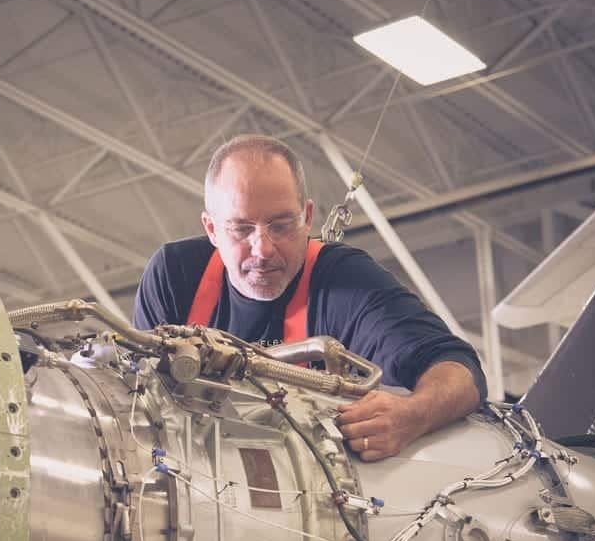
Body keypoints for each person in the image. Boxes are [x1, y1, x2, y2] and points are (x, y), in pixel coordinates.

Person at [133, 134, 484, 461]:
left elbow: (460, 371)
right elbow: (138, 396)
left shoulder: (344, 281)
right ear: (211, 229)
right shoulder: (175, 277)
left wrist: (414, 416)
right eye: (241, 229)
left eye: (281, 225)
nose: (263, 249)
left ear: (308, 218)